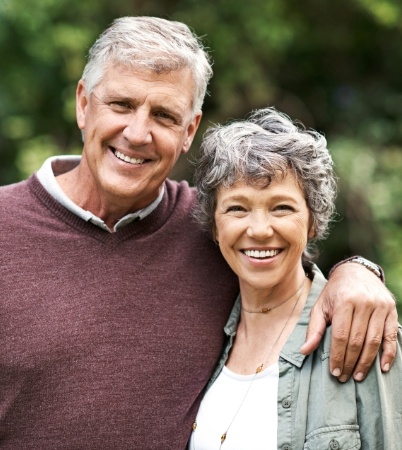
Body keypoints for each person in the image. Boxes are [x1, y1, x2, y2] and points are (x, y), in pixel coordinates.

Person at [0, 16, 397, 449]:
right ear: (82, 103)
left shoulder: (209, 227)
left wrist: (357, 271)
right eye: (121, 104)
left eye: (164, 115)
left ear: (189, 130)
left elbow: (285, 260)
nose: (137, 133)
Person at [189, 107, 402, 449]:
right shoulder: (202, 337)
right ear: (215, 227)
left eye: (281, 208)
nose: (259, 230)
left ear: (313, 220)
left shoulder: (359, 334)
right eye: (237, 208)